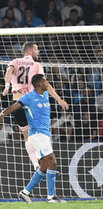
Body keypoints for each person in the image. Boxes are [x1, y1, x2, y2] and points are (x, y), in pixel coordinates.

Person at [2, 42, 69, 170]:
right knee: (42, 133)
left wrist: (7, 85)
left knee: (27, 136)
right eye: (36, 49)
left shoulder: (15, 61)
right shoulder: (36, 65)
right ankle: (47, 163)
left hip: (17, 103)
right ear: (30, 50)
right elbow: (45, 84)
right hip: (32, 103)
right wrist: (59, 99)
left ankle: (35, 165)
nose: (38, 51)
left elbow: (9, 70)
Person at [0, 74, 66, 203]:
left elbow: (50, 90)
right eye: (45, 82)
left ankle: (25, 192)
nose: (48, 84)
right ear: (39, 84)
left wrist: (59, 100)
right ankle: (51, 197)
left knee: (44, 167)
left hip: (45, 134)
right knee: (52, 161)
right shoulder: (29, 97)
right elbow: (14, 107)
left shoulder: (46, 94)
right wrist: (2, 114)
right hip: (36, 134)